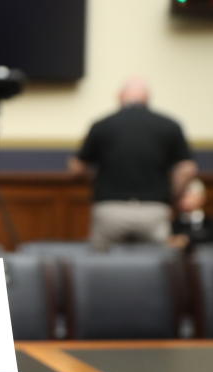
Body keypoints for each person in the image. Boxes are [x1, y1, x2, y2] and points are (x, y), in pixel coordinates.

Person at [69, 77, 198, 251]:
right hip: (154, 209)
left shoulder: (102, 125)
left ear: (120, 97)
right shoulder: (169, 125)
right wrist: (172, 195)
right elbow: (187, 169)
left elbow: (77, 167)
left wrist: (95, 179)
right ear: (148, 98)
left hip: (110, 208)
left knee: (101, 269)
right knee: (157, 268)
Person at [170, 178, 213, 251]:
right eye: (181, 196)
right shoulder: (173, 224)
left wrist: (188, 239)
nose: (184, 199)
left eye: (189, 195)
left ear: (202, 198)